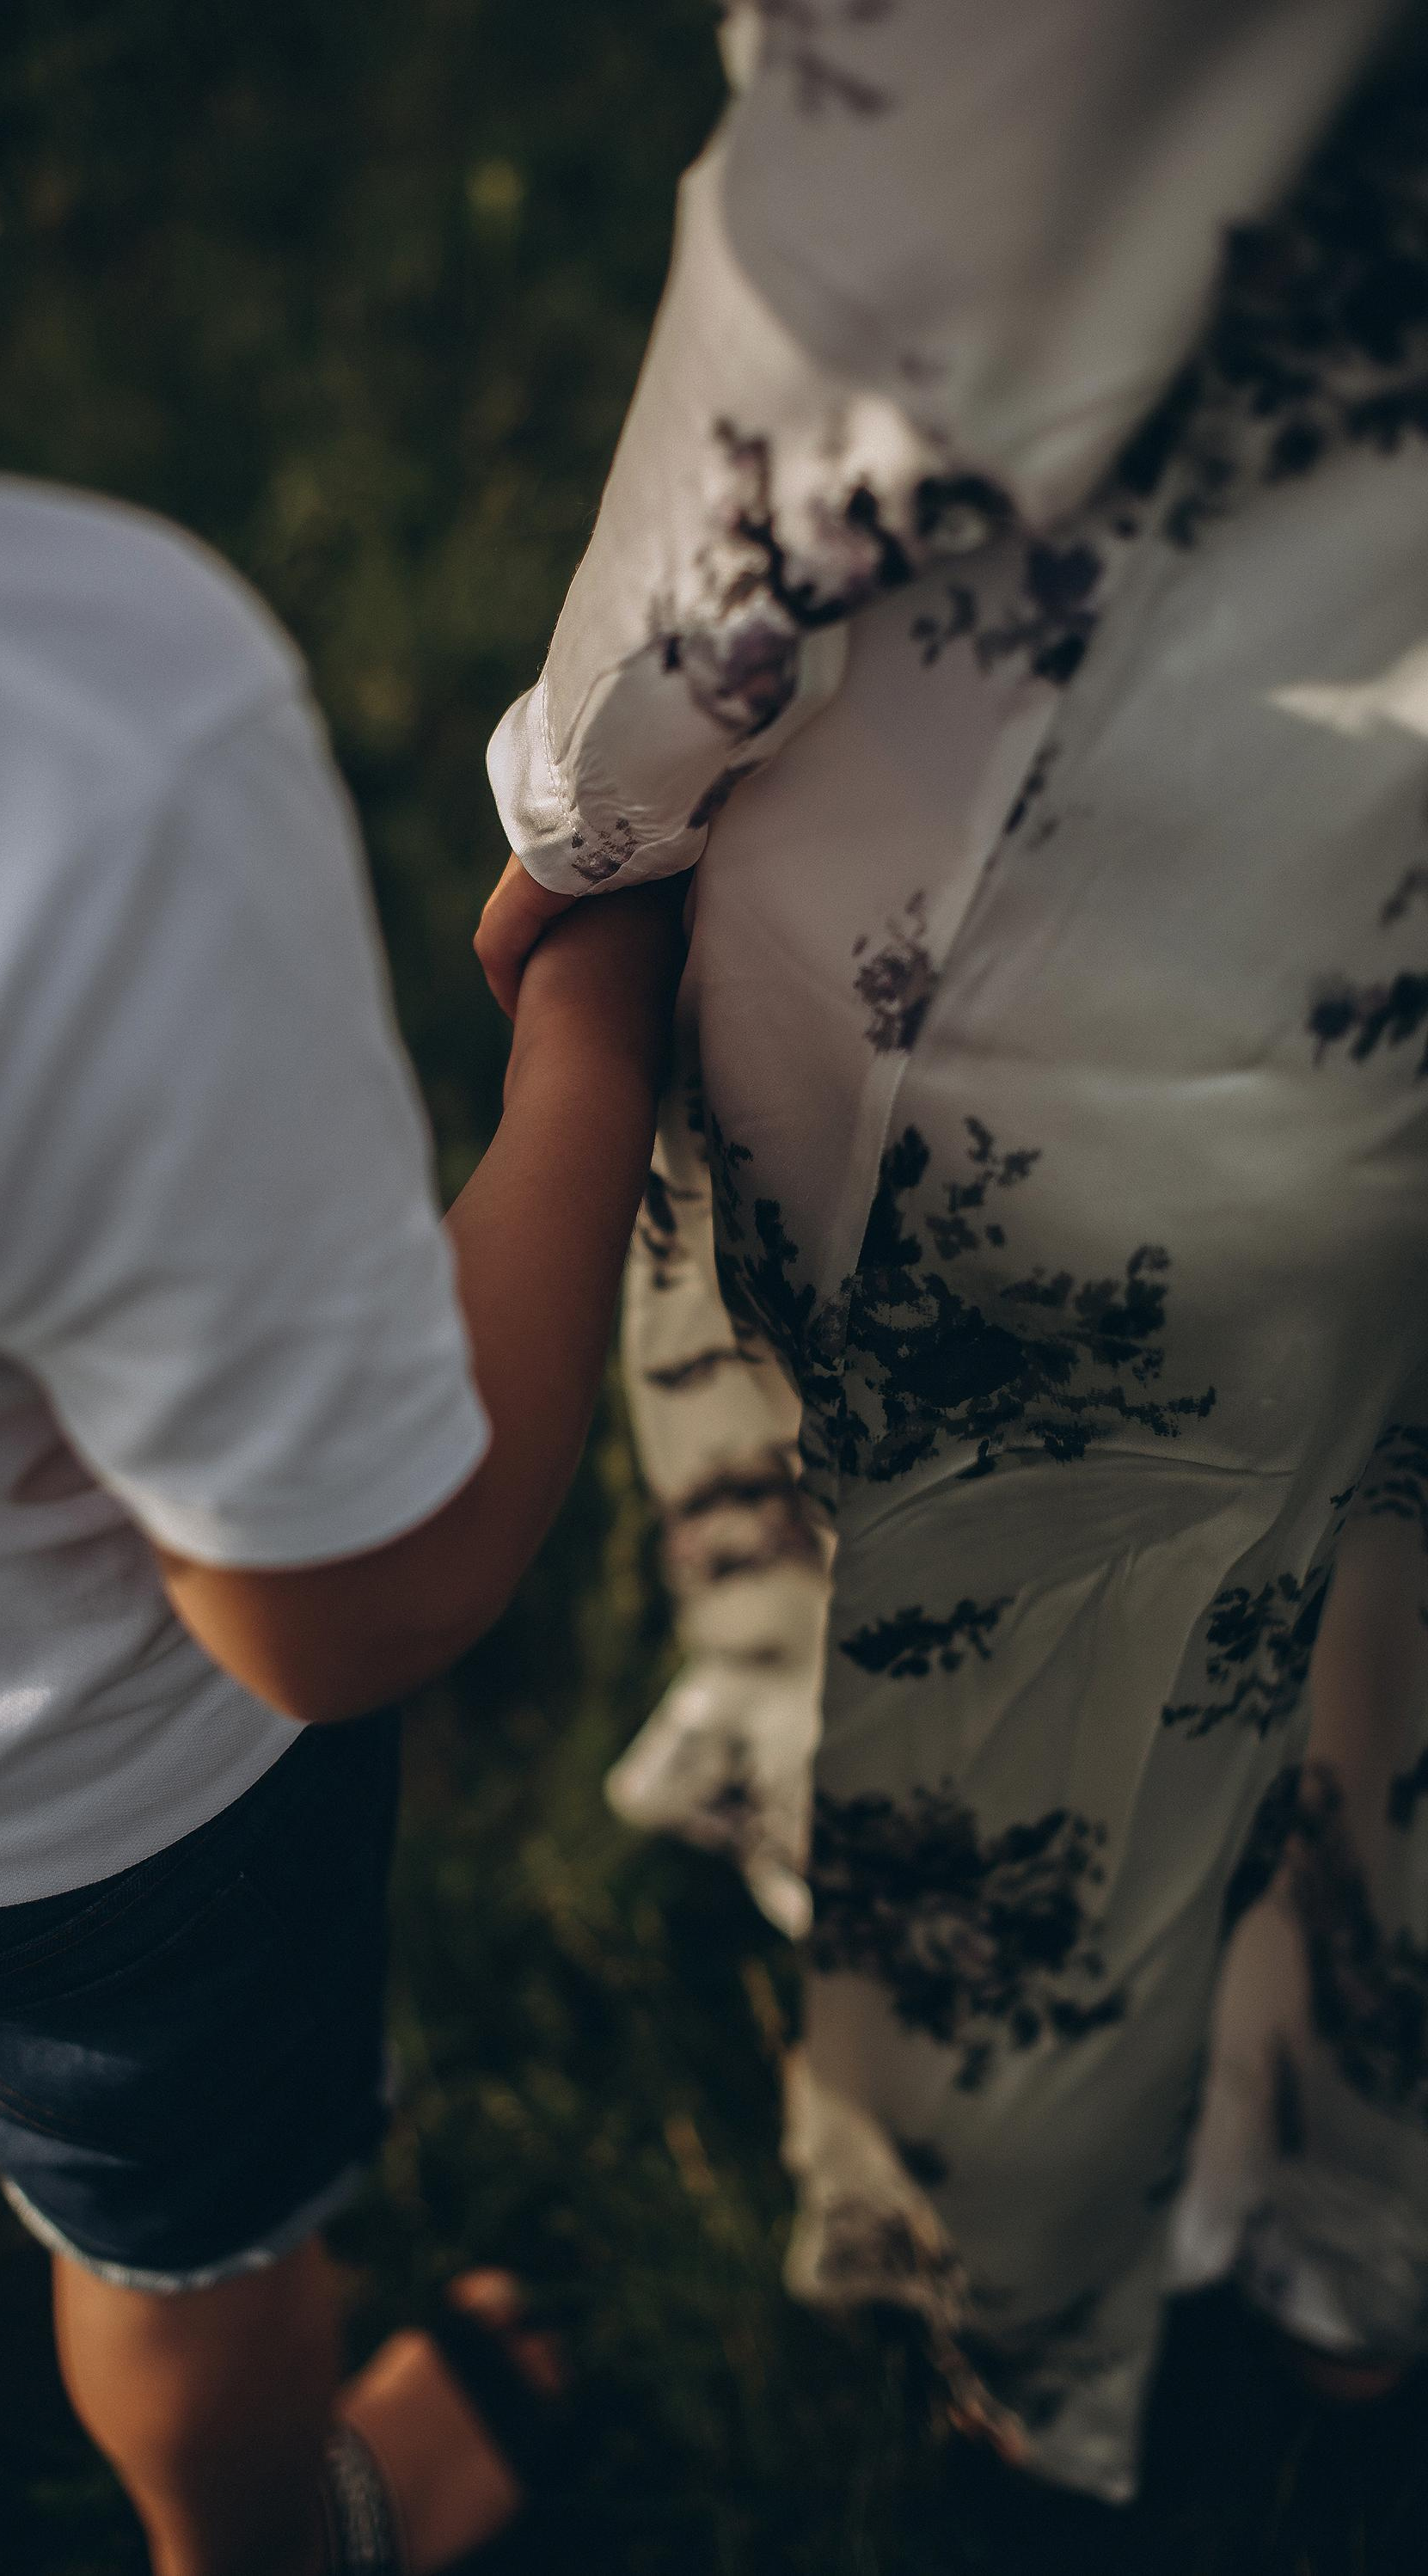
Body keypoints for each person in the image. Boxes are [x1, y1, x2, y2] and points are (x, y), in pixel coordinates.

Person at [0, 5, 683, 2572]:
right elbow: (345, 1594)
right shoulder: (25, 743)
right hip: (83, 1819)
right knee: (184, 2267)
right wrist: (592, 1049)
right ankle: (281, 2534)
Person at [480, 0, 1428, 2512]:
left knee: (1051, 1724)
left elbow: (888, 289)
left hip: (1171, 937)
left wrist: (583, 803)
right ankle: (1365, 2246)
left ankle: (1030, 2325)